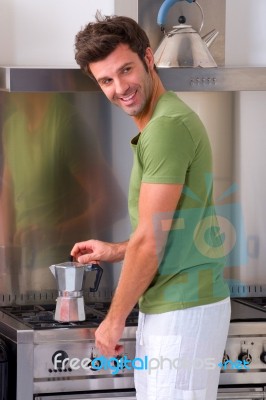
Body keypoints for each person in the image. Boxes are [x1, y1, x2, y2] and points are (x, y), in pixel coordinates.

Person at [71, 15, 231, 400]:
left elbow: (150, 242)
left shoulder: (165, 129)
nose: (120, 87)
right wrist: (117, 250)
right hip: (178, 308)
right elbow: (171, 228)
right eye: (106, 80)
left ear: (148, 58)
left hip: (182, 312)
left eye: (126, 70)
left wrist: (112, 322)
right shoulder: (163, 122)